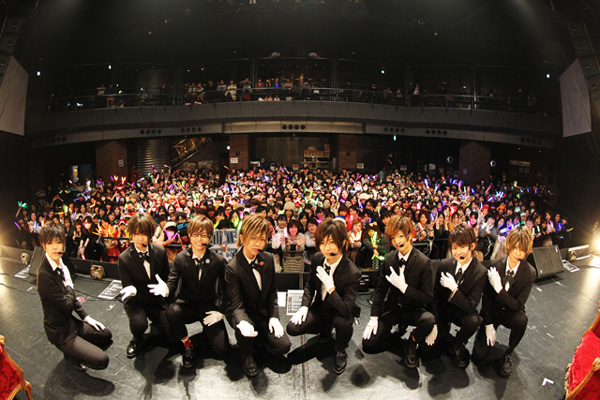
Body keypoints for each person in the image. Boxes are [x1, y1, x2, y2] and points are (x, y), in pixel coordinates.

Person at [287, 218, 361, 375]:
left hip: (340, 312)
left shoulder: (352, 272)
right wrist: (304, 306)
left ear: (342, 243)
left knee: (343, 323)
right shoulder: (317, 258)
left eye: (331, 242)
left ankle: (340, 350)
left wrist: (330, 287)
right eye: (322, 243)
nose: (326, 248)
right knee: (292, 328)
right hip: (321, 308)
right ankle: (325, 330)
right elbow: (310, 285)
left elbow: (346, 308)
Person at [362, 216, 434, 369]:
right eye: (393, 238)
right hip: (393, 309)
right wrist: (374, 317)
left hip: (414, 309)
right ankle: (395, 336)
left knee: (429, 320)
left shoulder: (424, 262)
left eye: (400, 236)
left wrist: (405, 288)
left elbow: (427, 297)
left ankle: (412, 341)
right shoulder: (389, 259)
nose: (397, 241)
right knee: (368, 344)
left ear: (410, 235)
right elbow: (380, 291)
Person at [36, 224, 112, 371]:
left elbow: (71, 299)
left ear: (63, 244)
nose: (55, 247)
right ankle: (70, 353)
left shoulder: (61, 260)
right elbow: (66, 305)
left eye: (58, 242)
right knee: (102, 360)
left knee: (106, 334)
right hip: (61, 331)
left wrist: (86, 317)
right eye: (50, 243)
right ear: (44, 246)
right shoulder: (44, 274)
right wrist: (69, 283)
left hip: (72, 322)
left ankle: (77, 346)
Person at [225, 214, 291, 377]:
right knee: (245, 332)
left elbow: (273, 291)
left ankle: (260, 339)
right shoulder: (233, 267)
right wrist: (242, 321)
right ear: (242, 237)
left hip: (262, 312)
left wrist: (274, 316)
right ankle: (246, 354)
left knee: (283, 346)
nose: (258, 244)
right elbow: (236, 305)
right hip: (243, 312)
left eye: (262, 239)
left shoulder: (267, 259)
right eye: (253, 238)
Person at [166, 215, 230, 368]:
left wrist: (221, 312)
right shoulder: (181, 258)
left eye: (204, 235)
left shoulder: (218, 260)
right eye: (195, 234)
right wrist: (165, 290)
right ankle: (188, 344)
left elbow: (227, 289)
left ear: (210, 237)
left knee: (221, 349)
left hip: (208, 308)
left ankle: (206, 333)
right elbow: (172, 282)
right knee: (172, 311)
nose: (199, 239)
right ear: (189, 235)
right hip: (186, 305)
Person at [472, 226, 536, 377]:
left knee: (522, 320)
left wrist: (499, 289)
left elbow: (517, 305)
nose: (518, 253)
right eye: (515, 248)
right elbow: (486, 300)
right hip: (492, 311)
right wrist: (488, 324)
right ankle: (482, 332)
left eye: (522, 250)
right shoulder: (495, 265)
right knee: (478, 356)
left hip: (510, 312)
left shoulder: (529, 272)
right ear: (509, 245)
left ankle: (508, 353)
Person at [428, 223, 487, 368]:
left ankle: (458, 343)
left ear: (472, 246)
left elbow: (470, 306)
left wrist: (454, 288)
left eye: (462, 247)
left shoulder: (480, 272)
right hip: (444, 309)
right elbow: (435, 295)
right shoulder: (444, 265)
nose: (458, 252)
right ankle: (443, 329)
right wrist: (434, 322)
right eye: (454, 247)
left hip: (462, 311)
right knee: (427, 350)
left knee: (474, 320)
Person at [118, 212, 171, 358]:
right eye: (136, 234)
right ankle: (136, 339)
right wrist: (130, 289)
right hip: (136, 300)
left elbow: (167, 277)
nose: (140, 238)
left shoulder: (160, 252)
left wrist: (166, 290)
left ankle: (157, 322)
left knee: (171, 332)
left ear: (150, 234)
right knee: (139, 324)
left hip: (155, 299)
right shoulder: (124, 258)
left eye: (143, 234)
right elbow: (126, 284)